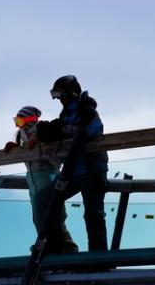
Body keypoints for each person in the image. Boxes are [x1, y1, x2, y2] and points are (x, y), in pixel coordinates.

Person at [36, 75, 109, 252]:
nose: (59, 99)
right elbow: (62, 130)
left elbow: (86, 132)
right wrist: (46, 130)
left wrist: (59, 130)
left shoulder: (87, 111)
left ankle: (98, 258)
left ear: (70, 93)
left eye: (60, 94)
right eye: (56, 95)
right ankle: (57, 246)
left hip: (91, 170)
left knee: (93, 214)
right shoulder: (67, 113)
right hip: (73, 171)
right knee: (46, 199)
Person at [4, 105, 78, 253]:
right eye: (16, 121)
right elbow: (30, 161)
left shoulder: (44, 132)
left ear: (30, 120)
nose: (17, 125)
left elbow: (57, 162)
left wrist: (42, 147)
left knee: (55, 219)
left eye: (19, 121)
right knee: (39, 219)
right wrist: (17, 149)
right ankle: (48, 248)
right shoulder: (22, 136)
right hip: (34, 185)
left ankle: (67, 250)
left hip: (48, 182)